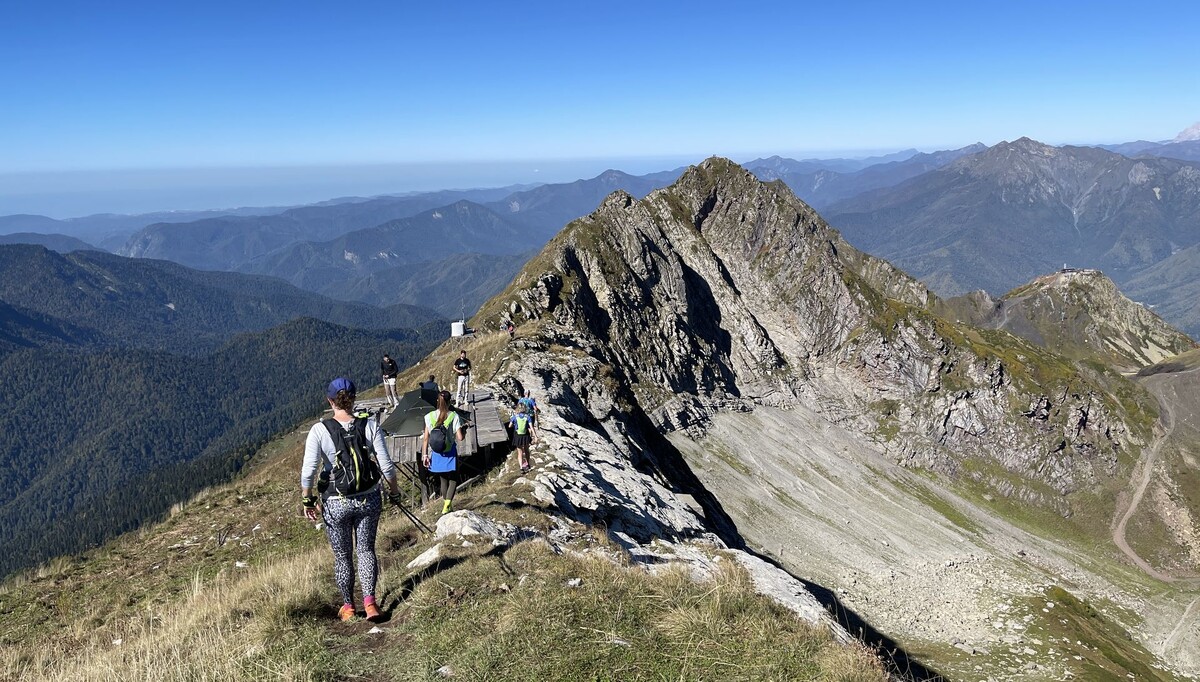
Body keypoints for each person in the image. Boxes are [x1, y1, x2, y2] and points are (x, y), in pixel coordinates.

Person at [301, 377, 403, 622]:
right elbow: (386, 465)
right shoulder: (369, 425)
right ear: (355, 398)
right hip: (368, 498)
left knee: (342, 556)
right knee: (366, 550)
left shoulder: (320, 429)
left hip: (336, 502)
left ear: (330, 400)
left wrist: (307, 499)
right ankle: (370, 604)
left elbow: (309, 470)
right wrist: (394, 491)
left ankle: (348, 606)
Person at [423, 390, 465, 514]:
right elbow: (460, 437)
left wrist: (425, 455)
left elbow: (426, 438)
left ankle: (447, 506)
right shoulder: (453, 415)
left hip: (436, 452)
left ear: (437, 401)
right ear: (449, 401)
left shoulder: (429, 416)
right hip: (450, 451)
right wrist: (463, 430)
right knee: (454, 478)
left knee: (443, 479)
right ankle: (447, 504)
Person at [509, 402, 538, 473]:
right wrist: (535, 436)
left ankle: (521, 468)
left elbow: (509, 426)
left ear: (517, 409)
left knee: (520, 452)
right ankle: (528, 464)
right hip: (525, 435)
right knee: (526, 450)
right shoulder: (527, 417)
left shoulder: (515, 417)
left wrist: (513, 423)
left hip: (518, 436)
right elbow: (531, 427)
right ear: (525, 408)